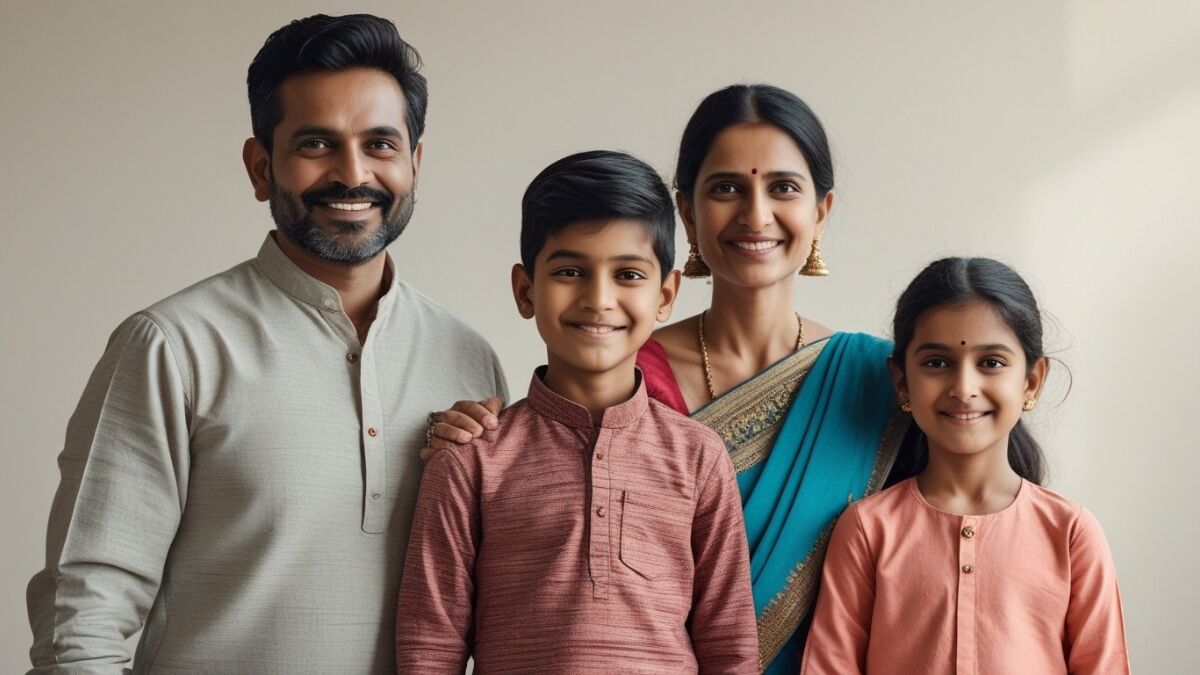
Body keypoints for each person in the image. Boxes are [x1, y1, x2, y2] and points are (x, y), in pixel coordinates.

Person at [26, 14, 505, 674]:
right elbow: (82, 615)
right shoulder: (172, 345)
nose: (352, 173)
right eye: (316, 144)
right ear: (260, 167)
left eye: (380, 145)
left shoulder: (468, 358)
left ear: (414, 166)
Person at [427, 84, 910, 673]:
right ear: (687, 211)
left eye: (782, 187)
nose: (755, 214)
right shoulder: (615, 365)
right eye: (726, 187)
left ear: (821, 212)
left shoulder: (880, 382)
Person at [395, 150, 759, 673]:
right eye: (570, 270)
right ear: (526, 290)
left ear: (666, 295)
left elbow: (730, 646)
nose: (599, 299)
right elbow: (430, 647)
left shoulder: (698, 457)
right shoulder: (470, 461)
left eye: (629, 274)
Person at [801, 257, 1130, 674]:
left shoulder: (1069, 534)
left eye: (991, 362)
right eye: (937, 363)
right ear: (902, 381)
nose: (963, 388)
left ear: (1031, 381)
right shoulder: (869, 529)